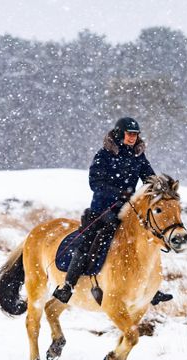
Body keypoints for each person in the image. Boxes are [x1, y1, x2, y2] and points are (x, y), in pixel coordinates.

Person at [52, 117, 172, 305]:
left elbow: (149, 178)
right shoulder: (104, 155)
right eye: (130, 134)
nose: (133, 138)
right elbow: (95, 183)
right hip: (101, 210)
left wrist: (161, 187)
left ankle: (150, 288)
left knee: (147, 240)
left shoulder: (138, 155)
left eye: (135, 135)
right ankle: (68, 285)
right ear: (119, 133)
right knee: (89, 242)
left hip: (127, 210)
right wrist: (118, 193)